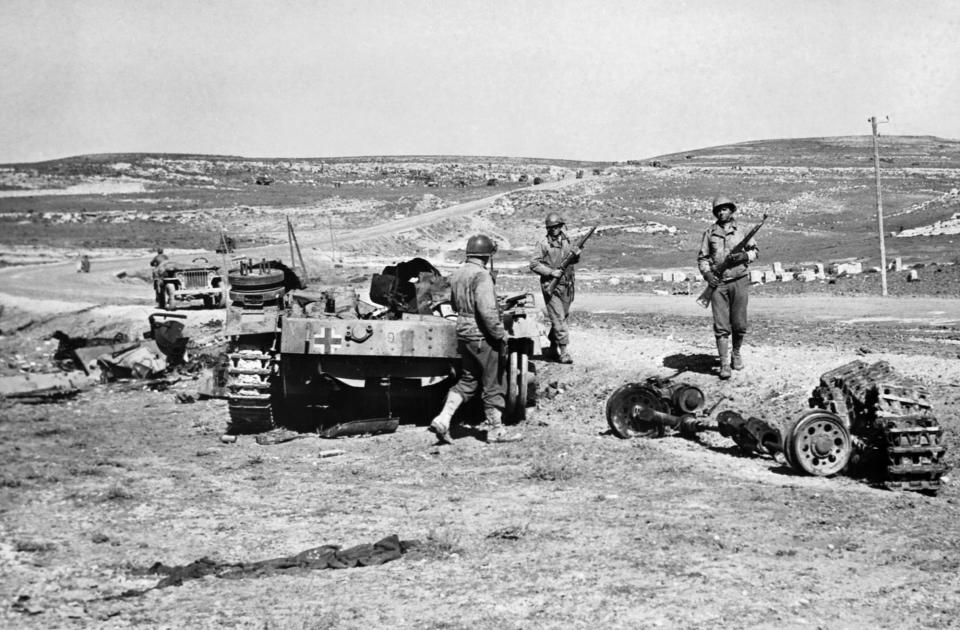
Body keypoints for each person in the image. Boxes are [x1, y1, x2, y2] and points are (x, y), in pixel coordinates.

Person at [429, 234, 522, 445]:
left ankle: (443, 419)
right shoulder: (482, 276)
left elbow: (453, 304)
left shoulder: (458, 274)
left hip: (463, 334)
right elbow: (487, 311)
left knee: (468, 380)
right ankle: (496, 430)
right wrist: (500, 335)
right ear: (487, 256)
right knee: (493, 382)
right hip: (482, 336)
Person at [697, 195, 759, 380]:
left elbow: (755, 251)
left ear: (731, 210)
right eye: (718, 210)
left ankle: (736, 353)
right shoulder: (710, 233)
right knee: (721, 326)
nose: (721, 212)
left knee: (739, 324)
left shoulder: (742, 231)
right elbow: (703, 258)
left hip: (739, 280)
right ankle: (724, 363)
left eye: (725, 209)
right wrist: (707, 275)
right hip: (718, 283)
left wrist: (743, 257)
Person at [529, 212, 579, 363]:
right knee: (559, 319)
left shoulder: (567, 240)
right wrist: (551, 272)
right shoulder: (543, 243)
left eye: (557, 226)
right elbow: (534, 264)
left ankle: (551, 347)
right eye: (551, 227)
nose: (554, 230)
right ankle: (563, 352)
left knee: (562, 317)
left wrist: (576, 255)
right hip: (551, 286)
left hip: (567, 285)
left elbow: (573, 261)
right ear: (547, 228)